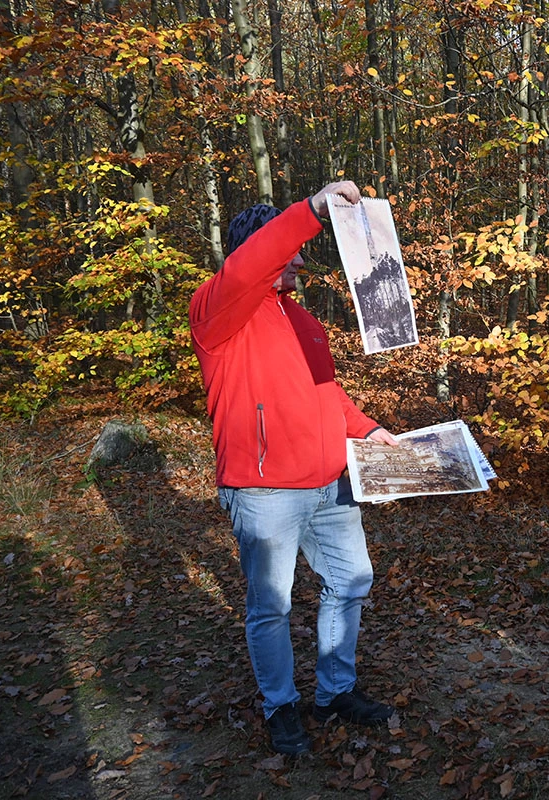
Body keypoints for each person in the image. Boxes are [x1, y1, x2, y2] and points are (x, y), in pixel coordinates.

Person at [190, 180, 399, 755]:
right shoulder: (219, 309)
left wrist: (371, 430)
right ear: (255, 252)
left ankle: (334, 694)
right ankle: (281, 708)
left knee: (352, 580)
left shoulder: (305, 321)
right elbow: (248, 267)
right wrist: (311, 209)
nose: (301, 262)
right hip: (264, 492)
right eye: (290, 252)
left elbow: (326, 393)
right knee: (271, 606)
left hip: (331, 485)